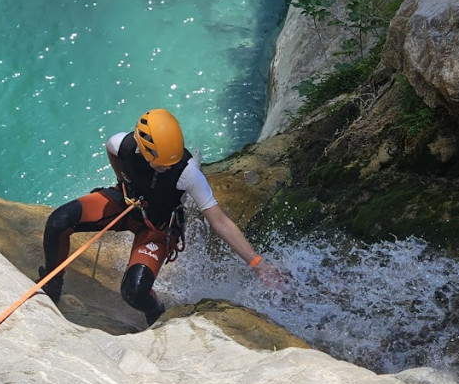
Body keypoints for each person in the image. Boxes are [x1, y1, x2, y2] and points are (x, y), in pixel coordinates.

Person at [40, 109, 283, 327]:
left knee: (134, 292)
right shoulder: (122, 144)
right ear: (144, 149)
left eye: (171, 162)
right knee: (58, 222)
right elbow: (112, 151)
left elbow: (219, 221)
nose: (167, 167)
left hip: (156, 227)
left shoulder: (188, 172)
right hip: (126, 203)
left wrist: (258, 264)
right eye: (161, 163)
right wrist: (123, 182)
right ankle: (52, 284)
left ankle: (156, 312)